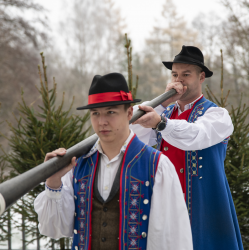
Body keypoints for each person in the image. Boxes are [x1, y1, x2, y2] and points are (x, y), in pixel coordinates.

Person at [34, 73, 193, 250]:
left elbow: (173, 239)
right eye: (95, 113)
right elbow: (54, 229)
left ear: (129, 113)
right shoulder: (77, 165)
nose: (102, 122)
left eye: (111, 112)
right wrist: (53, 182)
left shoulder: (156, 166)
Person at [131, 46, 244, 250]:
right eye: (175, 74)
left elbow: (195, 136)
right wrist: (163, 104)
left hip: (204, 208)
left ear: (201, 77)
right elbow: (131, 134)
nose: (179, 80)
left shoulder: (217, 115)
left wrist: (161, 123)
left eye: (186, 74)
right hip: (167, 206)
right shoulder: (164, 112)